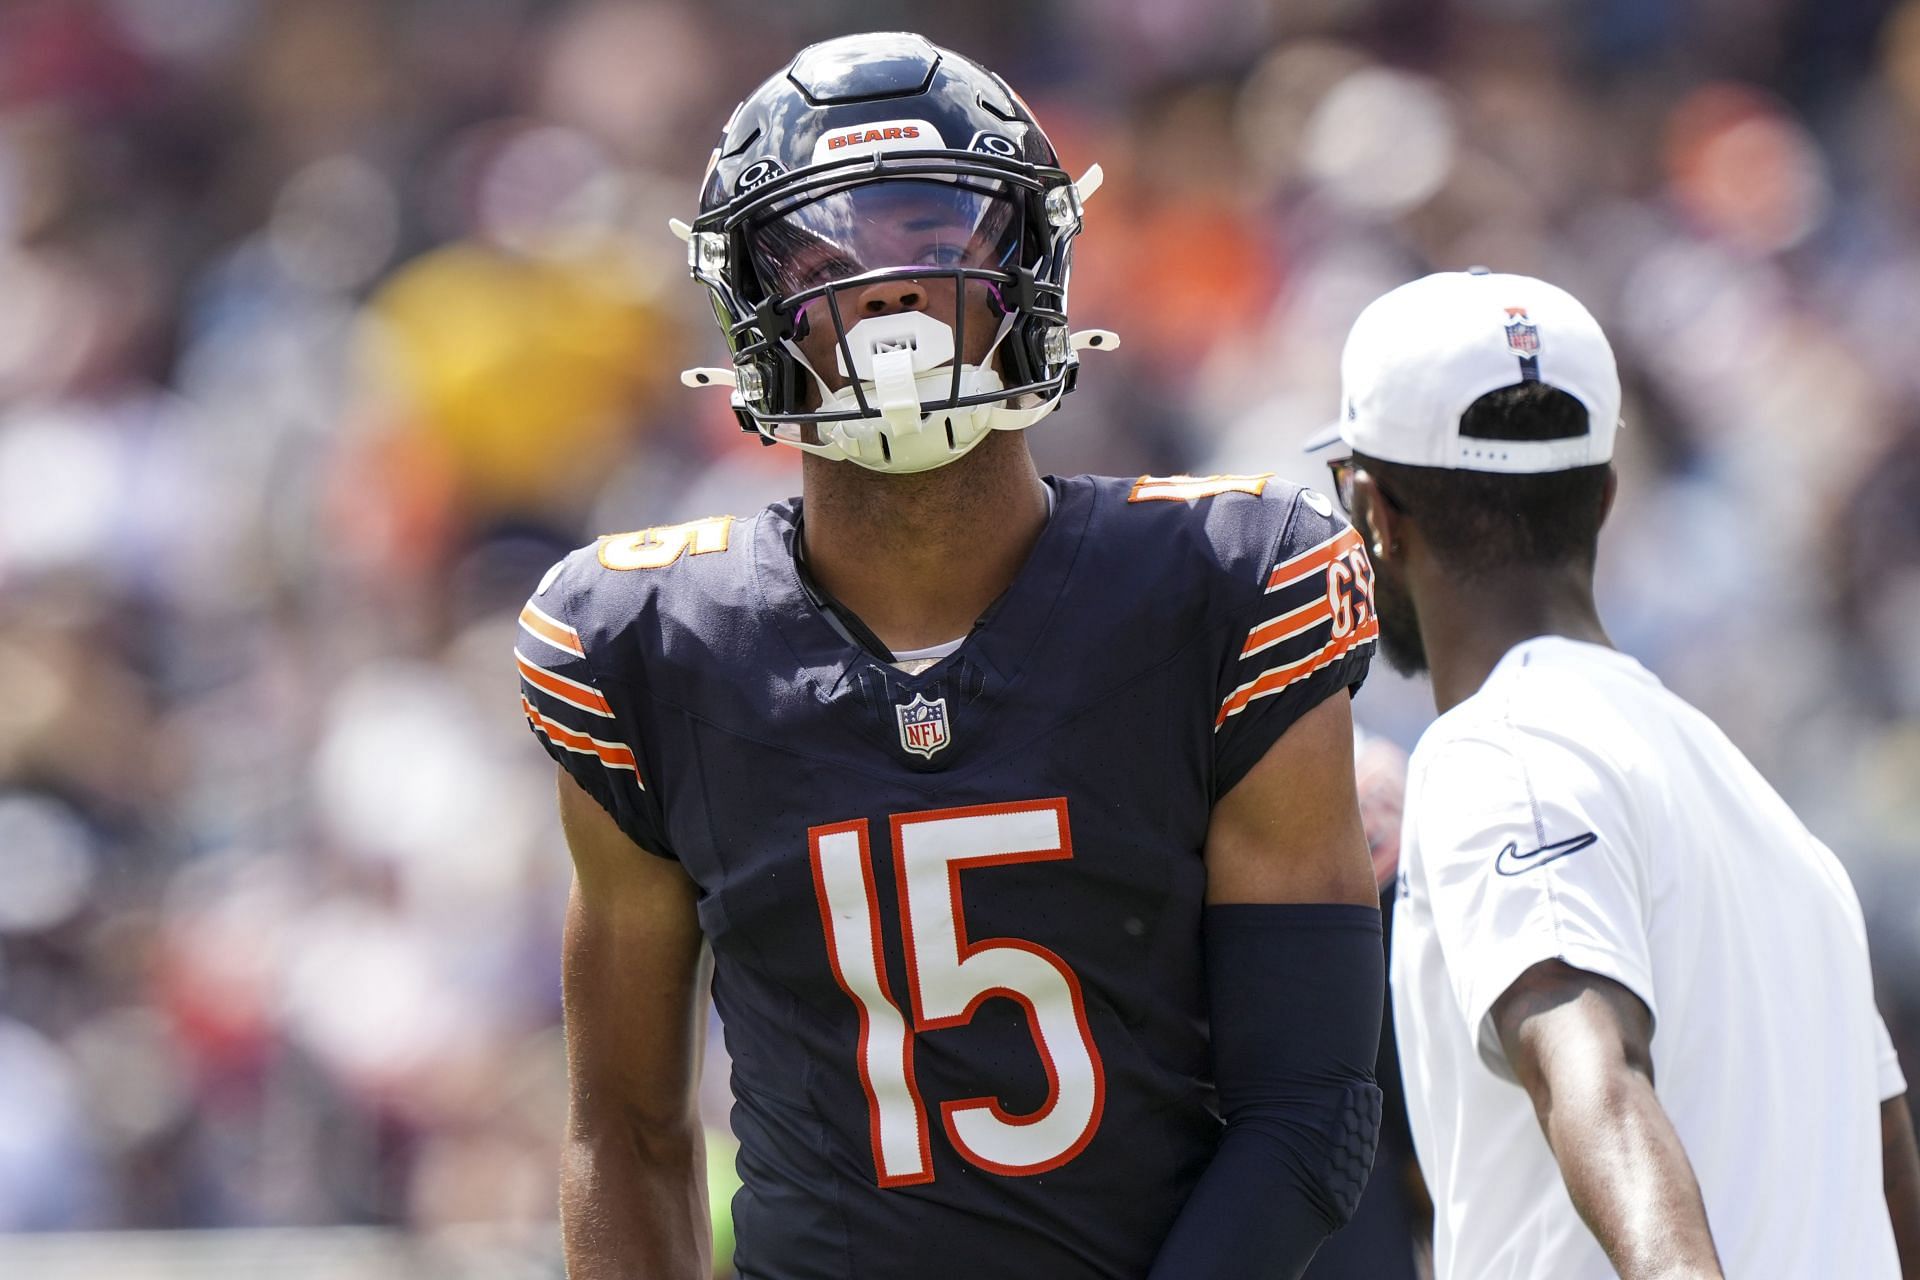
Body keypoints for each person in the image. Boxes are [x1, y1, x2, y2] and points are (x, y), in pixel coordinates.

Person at [519, 32, 1386, 1280]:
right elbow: (627, 1131)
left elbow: (1308, 1112)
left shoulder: (1229, 582)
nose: (885, 293)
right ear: (748, 297)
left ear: (1034, 260)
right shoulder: (645, 647)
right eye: (827, 250)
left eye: (932, 232)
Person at [1310, 268, 1920, 1279]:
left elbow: (1596, 1080)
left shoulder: (1496, 751)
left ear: (1371, 508)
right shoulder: (1761, 803)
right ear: (1601, 495)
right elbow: (1889, 1168)